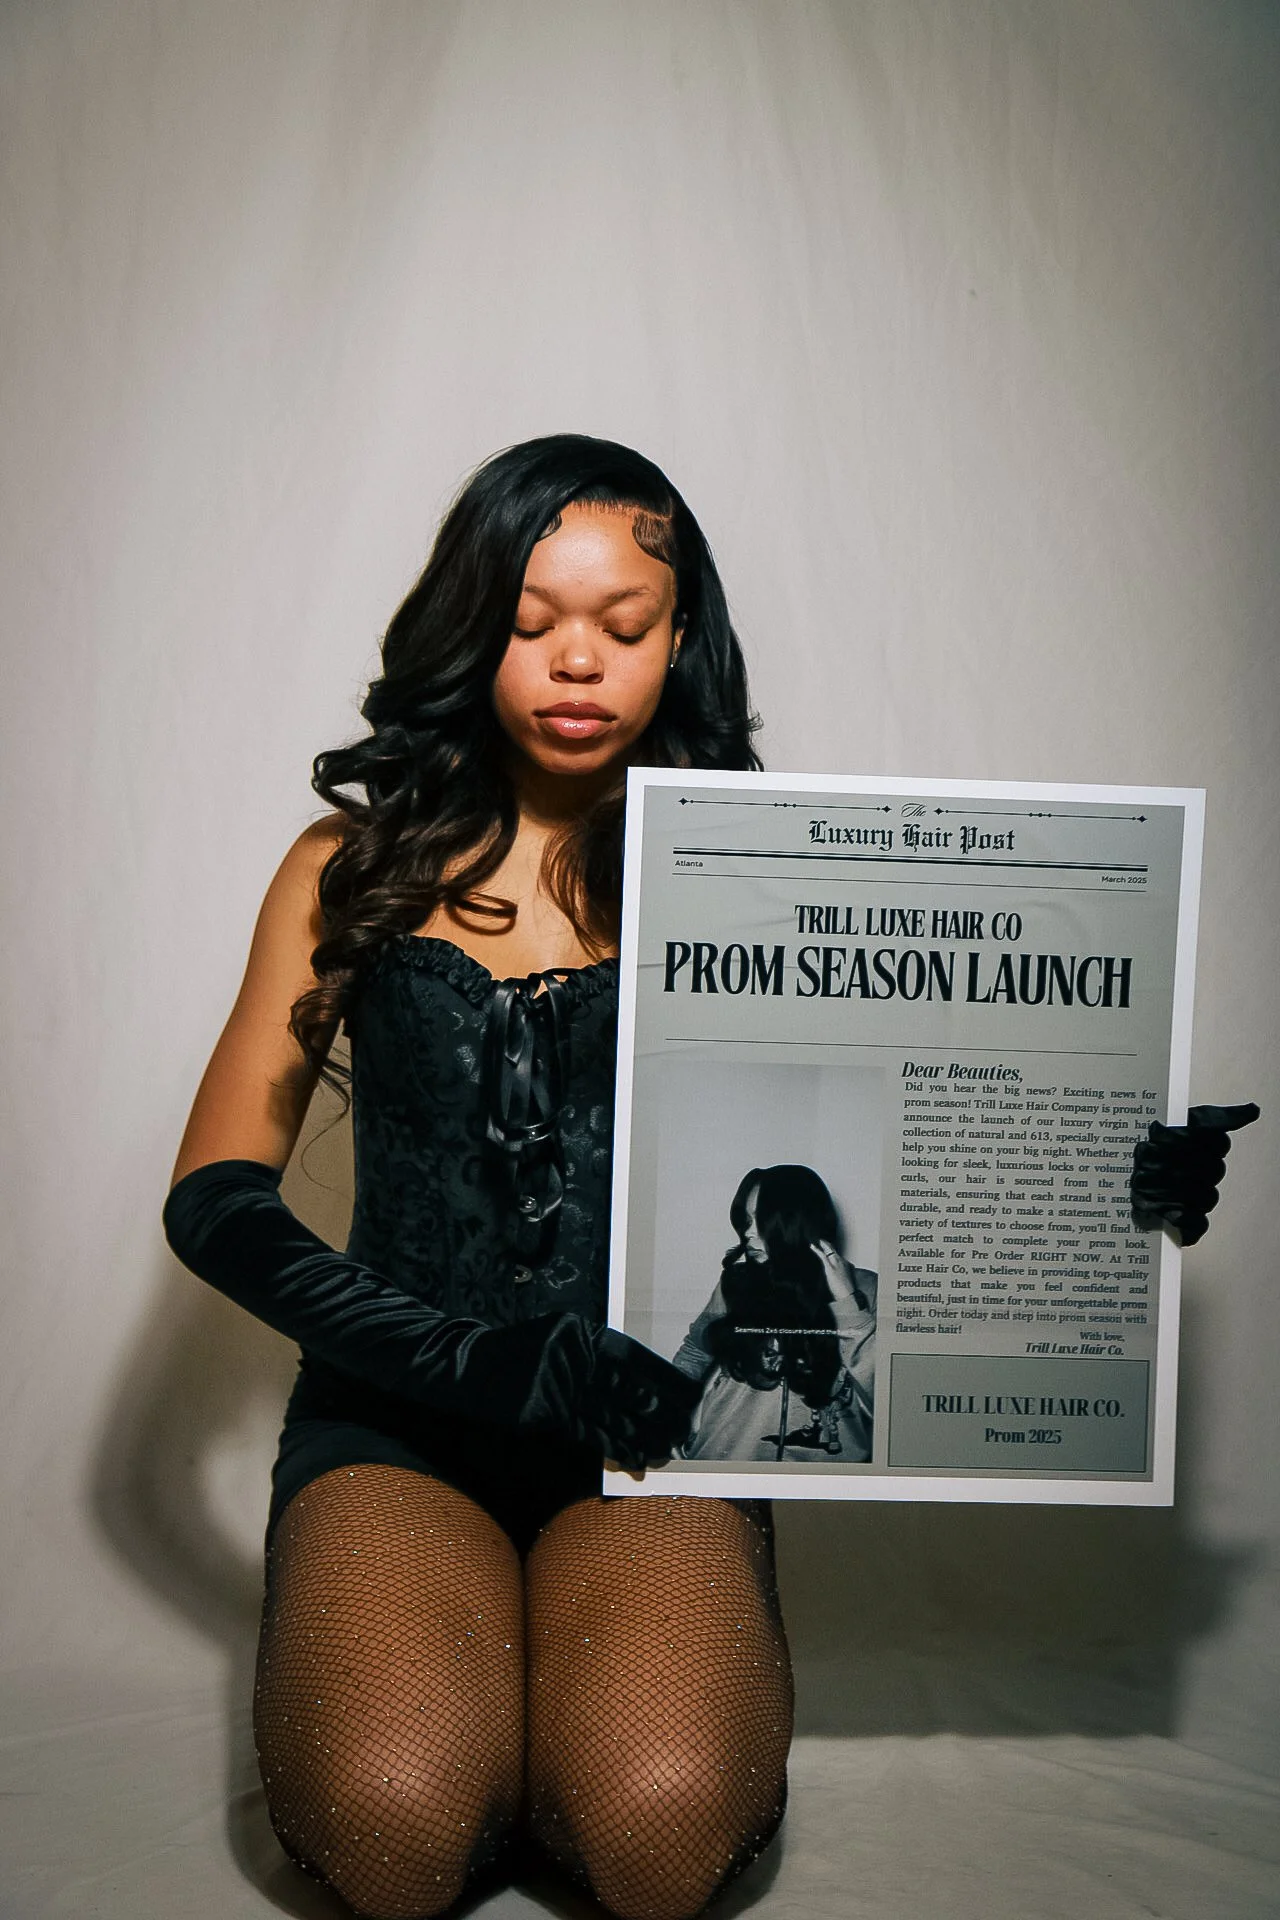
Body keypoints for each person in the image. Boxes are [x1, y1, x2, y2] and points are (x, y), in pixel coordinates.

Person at [161, 432, 1255, 1920]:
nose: (576, 664)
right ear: (467, 626)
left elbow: (917, 1129)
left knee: (661, 1833)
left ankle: (569, 1699)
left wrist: (1109, 1173)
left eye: (622, 627)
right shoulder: (344, 869)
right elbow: (216, 1199)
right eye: (531, 621)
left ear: (680, 641)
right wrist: (468, 1356)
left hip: (658, 1435)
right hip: (398, 1424)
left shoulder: (762, 878)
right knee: (396, 1833)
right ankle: (489, 1698)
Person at [673, 1166, 877, 1464]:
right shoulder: (737, 1281)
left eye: (762, 1220)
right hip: (722, 1463)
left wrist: (847, 1302)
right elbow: (695, 1351)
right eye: (746, 1219)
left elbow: (887, 1401)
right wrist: (663, 1417)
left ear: (797, 1221)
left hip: (823, 1483)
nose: (748, 1232)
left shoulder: (869, 1291)